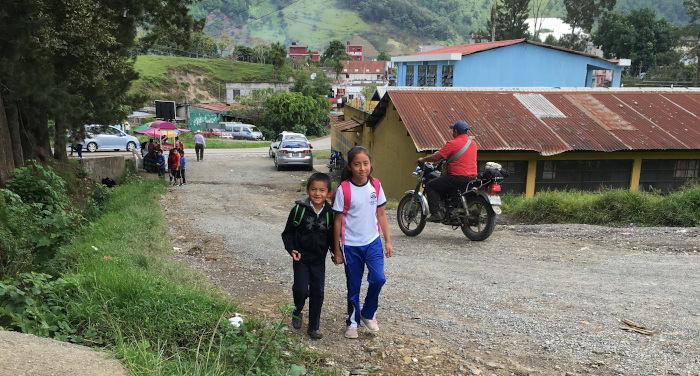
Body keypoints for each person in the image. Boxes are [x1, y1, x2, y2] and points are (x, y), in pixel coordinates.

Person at [332, 146, 393, 339]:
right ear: (350, 166)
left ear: (370, 165)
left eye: (365, 163)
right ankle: (352, 322)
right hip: (351, 245)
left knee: (379, 279)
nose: (362, 168)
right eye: (357, 164)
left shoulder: (375, 185)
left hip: (373, 242)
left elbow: (381, 214)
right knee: (354, 285)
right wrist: (337, 249)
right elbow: (338, 221)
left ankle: (368, 313)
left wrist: (387, 241)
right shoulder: (343, 190)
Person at [281, 173, 334, 340]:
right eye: (313, 189)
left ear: (328, 193)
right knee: (301, 290)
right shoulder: (299, 210)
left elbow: (333, 236)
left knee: (318, 292)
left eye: (322, 190)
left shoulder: (330, 213)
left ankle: (313, 327)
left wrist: (336, 253)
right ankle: (297, 310)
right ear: (307, 190)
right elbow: (287, 234)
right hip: (301, 259)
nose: (317, 193)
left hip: (319, 261)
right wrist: (292, 250)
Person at [417, 120, 478, 222]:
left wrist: (424, 159)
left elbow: (437, 156)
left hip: (456, 178)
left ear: (455, 131)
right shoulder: (473, 143)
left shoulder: (452, 143)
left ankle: (436, 213)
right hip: (472, 178)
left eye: (452, 130)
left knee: (430, 185)